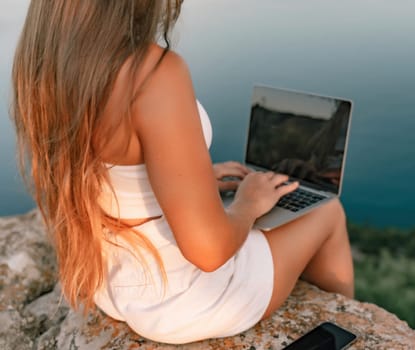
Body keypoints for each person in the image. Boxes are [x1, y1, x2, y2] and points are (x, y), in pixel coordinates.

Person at [11, 0, 354, 344]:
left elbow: (114, 171)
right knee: (326, 211)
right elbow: (209, 251)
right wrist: (247, 204)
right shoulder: (152, 73)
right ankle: (345, 328)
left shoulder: (45, 63)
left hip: (113, 283)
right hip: (183, 299)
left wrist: (194, 176)